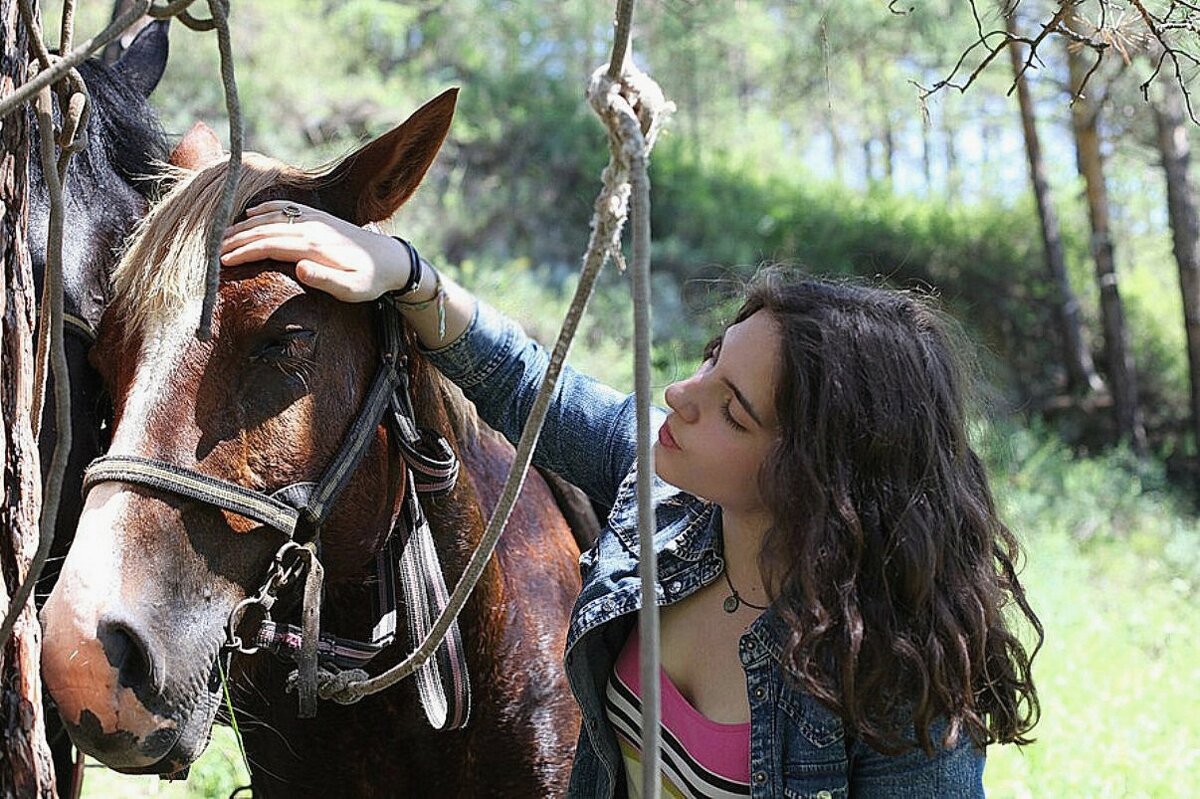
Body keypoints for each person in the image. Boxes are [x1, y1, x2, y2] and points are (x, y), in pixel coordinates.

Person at [222, 201, 1042, 798]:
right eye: (711, 361)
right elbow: (523, 382)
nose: (681, 395)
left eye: (733, 408)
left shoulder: (897, 683)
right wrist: (403, 272)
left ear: (815, 477)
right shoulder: (667, 498)